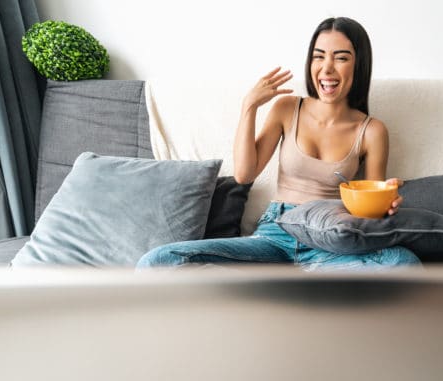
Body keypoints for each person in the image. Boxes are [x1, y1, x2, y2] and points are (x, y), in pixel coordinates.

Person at [137, 17, 420, 270]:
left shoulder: (372, 131)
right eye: (319, 57)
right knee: (158, 261)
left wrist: (384, 200)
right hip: (275, 234)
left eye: (341, 58)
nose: (327, 68)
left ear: (359, 65)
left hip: (331, 240)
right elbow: (244, 174)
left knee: (403, 263)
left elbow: (367, 216)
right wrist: (250, 106)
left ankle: (306, 281)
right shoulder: (287, 108)